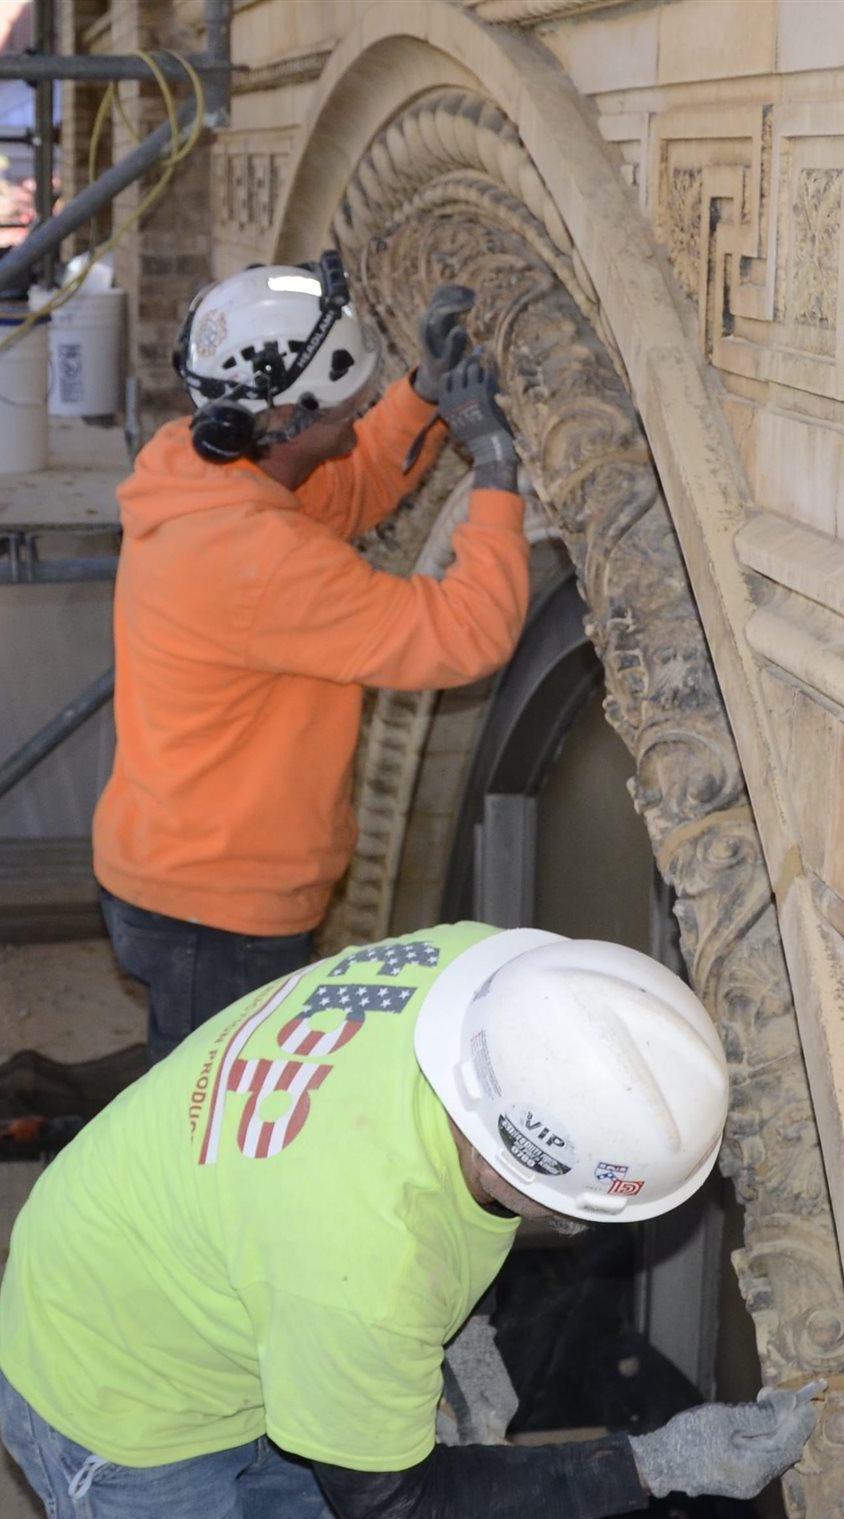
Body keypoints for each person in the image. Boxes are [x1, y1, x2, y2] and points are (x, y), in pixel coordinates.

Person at [0, 923, 823, 1519]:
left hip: (215, 1275)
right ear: (520, 1165)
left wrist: (441, 1328)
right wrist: (654, 1465)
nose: (576, 1233)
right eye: (573, 1212)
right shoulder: (365, 1261)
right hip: (118, 1392)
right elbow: (398, 1505)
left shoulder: (494, 980)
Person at [95, 256, 534, 1058]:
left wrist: (420, 396)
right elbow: (467, 634)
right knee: (216, 1148)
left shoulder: (198, 468)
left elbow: (348, 489)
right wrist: (497, 476)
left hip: (175, 871)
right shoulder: (257, 562)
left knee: (208, 1116)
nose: (363, 402)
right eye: (350, 398)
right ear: (291, 414)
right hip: (217, 913)